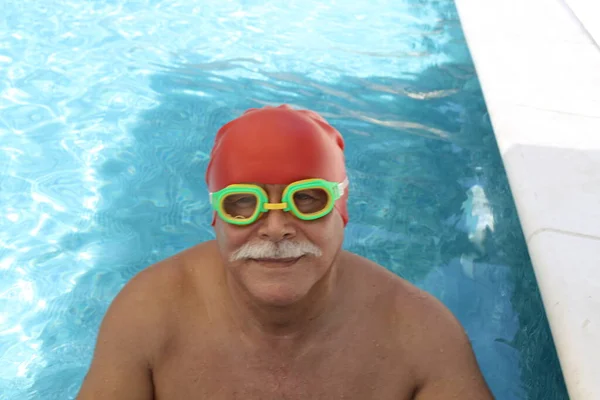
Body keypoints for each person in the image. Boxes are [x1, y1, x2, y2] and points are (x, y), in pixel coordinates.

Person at [76, 105, 494, 399]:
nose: (276, 227)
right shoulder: (150, 313)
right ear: (216, 216)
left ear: (341, 210)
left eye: (307, 199)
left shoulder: (419, 337)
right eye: (243, 203)